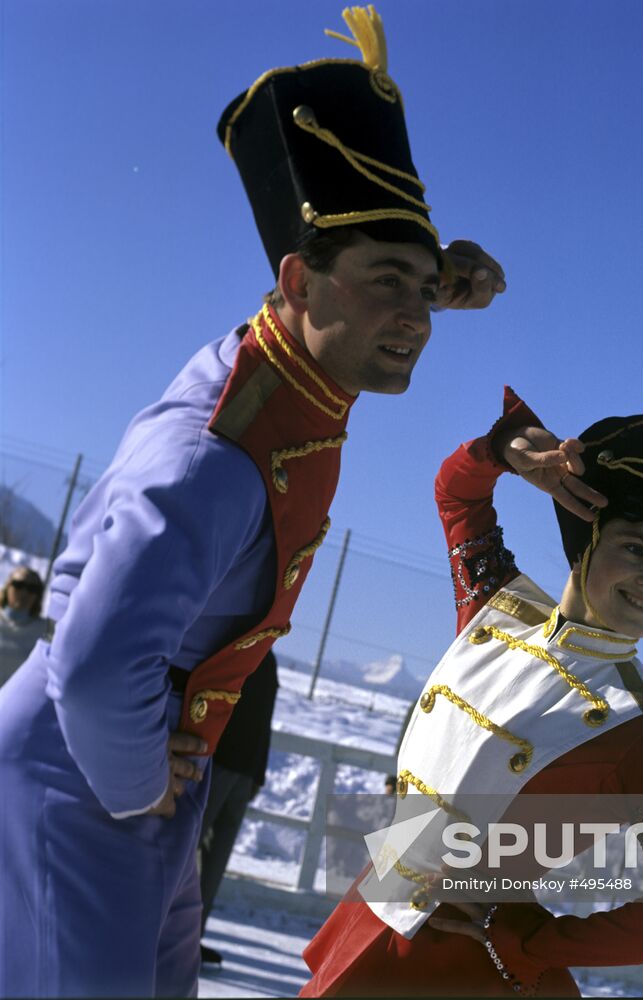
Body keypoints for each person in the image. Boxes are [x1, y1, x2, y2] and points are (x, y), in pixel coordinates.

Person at [0, 9, 505, 998]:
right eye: (387, 283)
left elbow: (344, 289)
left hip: (142, 777)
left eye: (422, 285)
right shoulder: (216, 454)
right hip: (87, 775)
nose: (413, 316)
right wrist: (144, 782)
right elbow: (97, 667)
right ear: (296, 280)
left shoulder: (282, 361)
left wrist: (434, 281)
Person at [300, 380, 643, 996]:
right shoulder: (494, 611)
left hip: (466, 969)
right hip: (373, 920)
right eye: (635, 547)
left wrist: (530, 943)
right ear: (587, 539)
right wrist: (504, 449)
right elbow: (457, 494)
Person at [199, 650, 279, 966]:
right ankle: (169, 935)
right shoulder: (245, 647)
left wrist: (257, 774)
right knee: (188, 855)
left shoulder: (261, 654)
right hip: (219, 764)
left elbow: (264, 718)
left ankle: (188, 937)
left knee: (212, 860)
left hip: (236, 771)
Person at [0, 566, 48, 687]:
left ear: (38, 596)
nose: (24, 592)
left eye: (32, 588)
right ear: (7, 586)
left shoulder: (46, 631)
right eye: (19, 585)